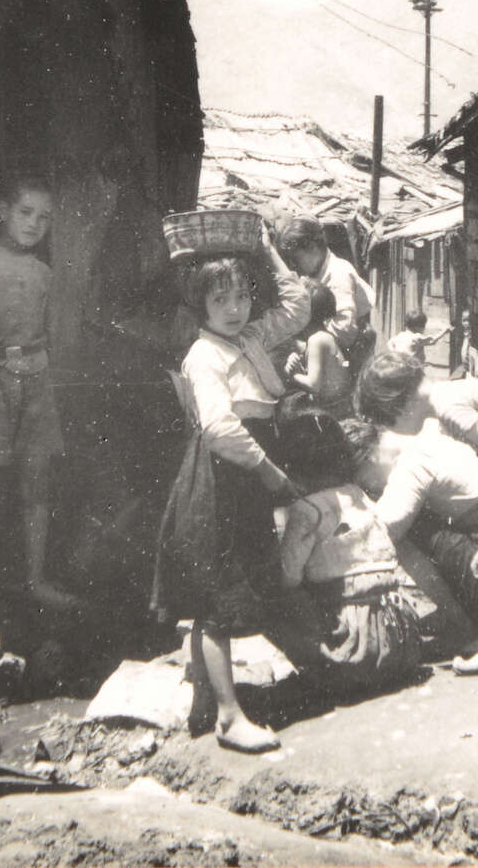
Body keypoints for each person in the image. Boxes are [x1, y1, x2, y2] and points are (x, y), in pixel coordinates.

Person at [152, 224, 309, 754]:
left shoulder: (248, 340)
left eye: (242, 295)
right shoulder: (205, 356)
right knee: (218, 596)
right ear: (201, 304)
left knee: (225, 589)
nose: (236, 307)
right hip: (223, 480)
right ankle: (228, 715)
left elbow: (298, 308)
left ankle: (205, 696)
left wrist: (266, 250)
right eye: (222, 298)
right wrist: (268, 471)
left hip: (244, 481)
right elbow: (219, 429)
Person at [356, 353, 478, 675]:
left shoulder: (446, 403)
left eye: (390, 422)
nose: (397, 431)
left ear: (401, 404)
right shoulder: (444, 400)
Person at [0, 177, 76, 623]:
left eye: (45, 217)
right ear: (4, 209)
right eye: (26, 212)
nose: (35, 224)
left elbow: (52, 332)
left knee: (36, 483)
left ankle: (36, 579)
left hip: (37, 382)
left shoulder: (44, 273)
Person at [278, 422, 422, 694]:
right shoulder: (358, 495)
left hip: (354, 650)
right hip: (400, 643)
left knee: (279, 592)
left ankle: (318, 666)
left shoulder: (307, 509)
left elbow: (289, 576)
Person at [277, 216, 375, 365]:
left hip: (352, 353)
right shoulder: (317, 272)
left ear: (312, 247)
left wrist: (306, 346)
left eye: (296, 259)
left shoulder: (338, 274)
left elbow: (345, 330)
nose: (293, 265)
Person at [289, 279, 354, 419]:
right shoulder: (324, 335)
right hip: (339, 406)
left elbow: (313, 385)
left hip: (334, 412)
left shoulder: (316, 340)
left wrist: (292, 375)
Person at [452, 310, 478, 381]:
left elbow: (476, 355)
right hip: (465, 367)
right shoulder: (462, 336)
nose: (467, 323)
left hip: (473, 365)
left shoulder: (474, 338)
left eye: (469, 321)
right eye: (464, 321)